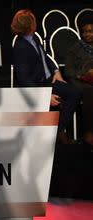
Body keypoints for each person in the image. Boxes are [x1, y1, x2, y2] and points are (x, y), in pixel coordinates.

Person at [11, 9, 81, 144]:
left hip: (49, 79)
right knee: (72, 93)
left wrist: (55, 70)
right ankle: (56, 133)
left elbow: (45, 56)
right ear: (30, 25)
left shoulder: (34, 37)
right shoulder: (21, 47)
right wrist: (44, 96)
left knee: (75, 91)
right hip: (37, 85)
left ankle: (57, 130)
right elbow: (24, 80)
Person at [65, 17, 93, 145]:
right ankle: (88, 131)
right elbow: (68, 71)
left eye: (91, 31)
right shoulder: (75, 48)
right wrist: (83, 74)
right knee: (88, 91)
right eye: (85, 31)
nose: (88, 34)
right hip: (79, 80)